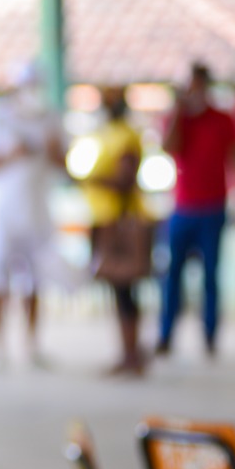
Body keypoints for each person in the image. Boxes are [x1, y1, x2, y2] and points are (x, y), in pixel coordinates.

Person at [0, 62, 68, 369]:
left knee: (34, 282)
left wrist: (51, 152)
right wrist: (11, 156)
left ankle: (32, 346)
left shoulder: (51, 120)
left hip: (36, 212)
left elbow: (65, 164)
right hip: (1, 214)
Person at [156, 63, 235, 358]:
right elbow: (168, 148)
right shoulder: (178, 119)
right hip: (182, 208)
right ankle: (166, 334)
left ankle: (209, 335)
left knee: (211, 275)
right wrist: (179, 112)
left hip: (213, 208)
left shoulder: (222, 120)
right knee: (173, 274)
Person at [81, 86, 150, 375]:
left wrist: (92, 179)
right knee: (119, 290)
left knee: (125, 290)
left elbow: (124, 180)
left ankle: (132, 354)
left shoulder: (125, 136)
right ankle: (127, 352)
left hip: (119, 220)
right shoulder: (108, 134)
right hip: (105, 218)